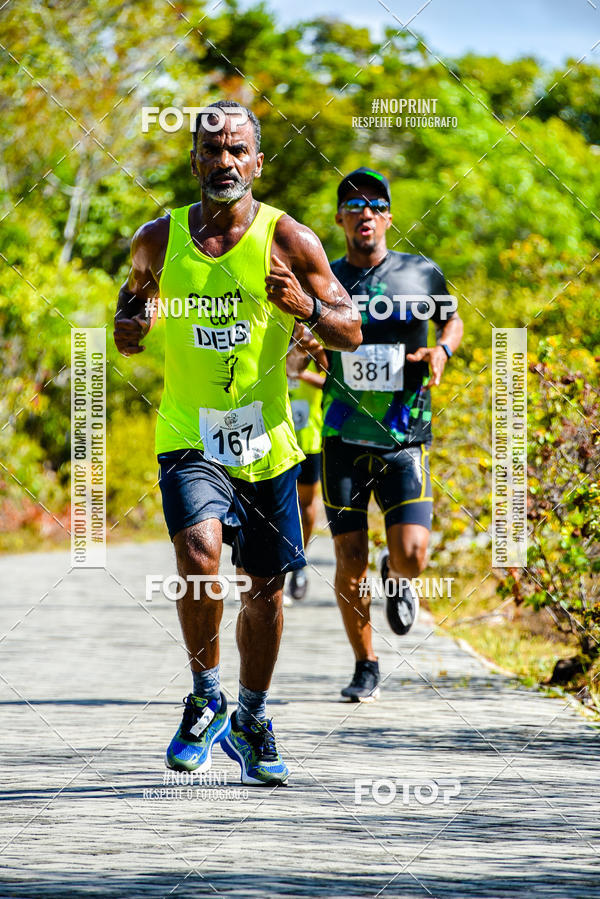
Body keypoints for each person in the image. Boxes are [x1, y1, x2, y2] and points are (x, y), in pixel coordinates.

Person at [113, 101, 360, 784]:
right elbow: (132, 302)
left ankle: (251, 716)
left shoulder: (291, 240)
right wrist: (129, 326)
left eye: (237, 150)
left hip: (267, 443)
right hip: (188, 433)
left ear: (257, 162)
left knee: (266, 591)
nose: (224, 161)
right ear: (194, 159)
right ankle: (204, 697)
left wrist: (307, 307)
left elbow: (351, 329)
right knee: (197, 555)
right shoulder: (158, 239)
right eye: (212, 149)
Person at [321, 167, 463, 702]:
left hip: (405, 436)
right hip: (342, 437)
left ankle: (397, 576)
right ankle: (365, 665)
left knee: (412, 555)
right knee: (349, 558)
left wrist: (442, 350)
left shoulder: (420, 272)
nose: (365, 213)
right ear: (340, 219)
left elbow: (453, 320)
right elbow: (297, 331)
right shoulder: (324, 277)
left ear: (389, 218)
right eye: (353, 206)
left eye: (376, 205)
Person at [285, 325, 328, 601]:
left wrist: (300, 373)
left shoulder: (315, 348)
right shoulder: (273, 340)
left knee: (305, 504)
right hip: (274, 438)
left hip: (308, 439)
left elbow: (332, 380)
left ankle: (299, 559)